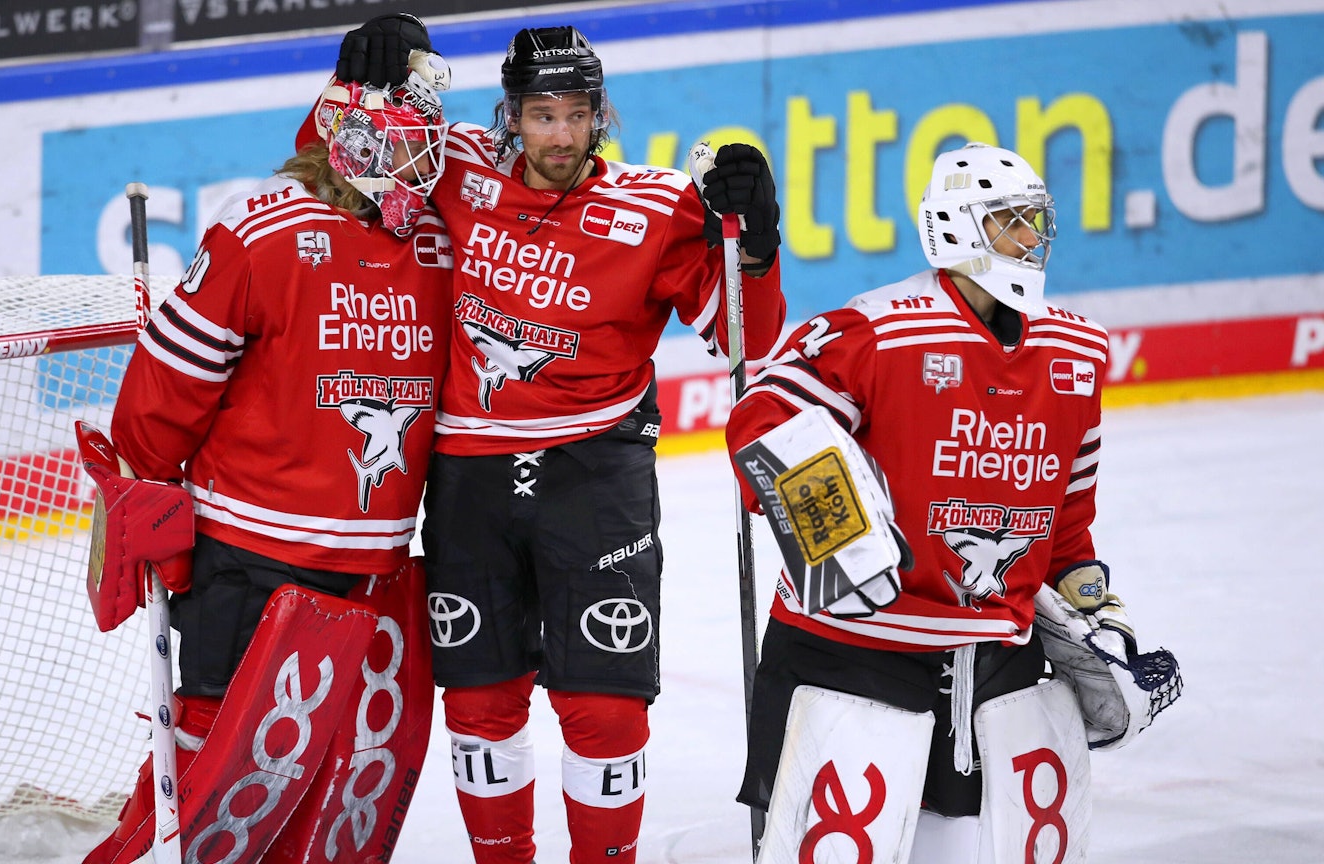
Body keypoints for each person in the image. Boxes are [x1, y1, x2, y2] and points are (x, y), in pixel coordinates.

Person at [331, 16, 787, 864]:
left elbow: (741, 342)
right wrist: (357, 85)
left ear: (600, 115)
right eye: (543, 115)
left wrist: (754, 253)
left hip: (597, 472)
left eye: (578, 114)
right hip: (469, 470)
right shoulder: (456, 166)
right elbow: (345, 166)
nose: (562, 135)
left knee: (606, 710)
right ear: (510, 114)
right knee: (479, 704)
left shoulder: (653, 207)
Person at [726, 143, 1181, 863]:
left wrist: (1095, 609)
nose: (1032, 239)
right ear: (956, 230)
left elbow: (1067, 520)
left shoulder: (1077, 351)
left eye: (1037, 222)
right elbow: (763, 420)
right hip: (849, 652)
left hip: (990, 663)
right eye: (1011, 222)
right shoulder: (877, 330)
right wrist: (837, 538)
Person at [80, 57, 455, 864]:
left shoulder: (434, 242)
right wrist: (156, 507)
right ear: (353, 147)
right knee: (219, 771)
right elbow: (159, 400)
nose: (427, 167)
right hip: (250, 562)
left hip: (372, 576)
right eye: (408, 149)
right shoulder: (261, 232)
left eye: (430, 148)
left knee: (320, 782)